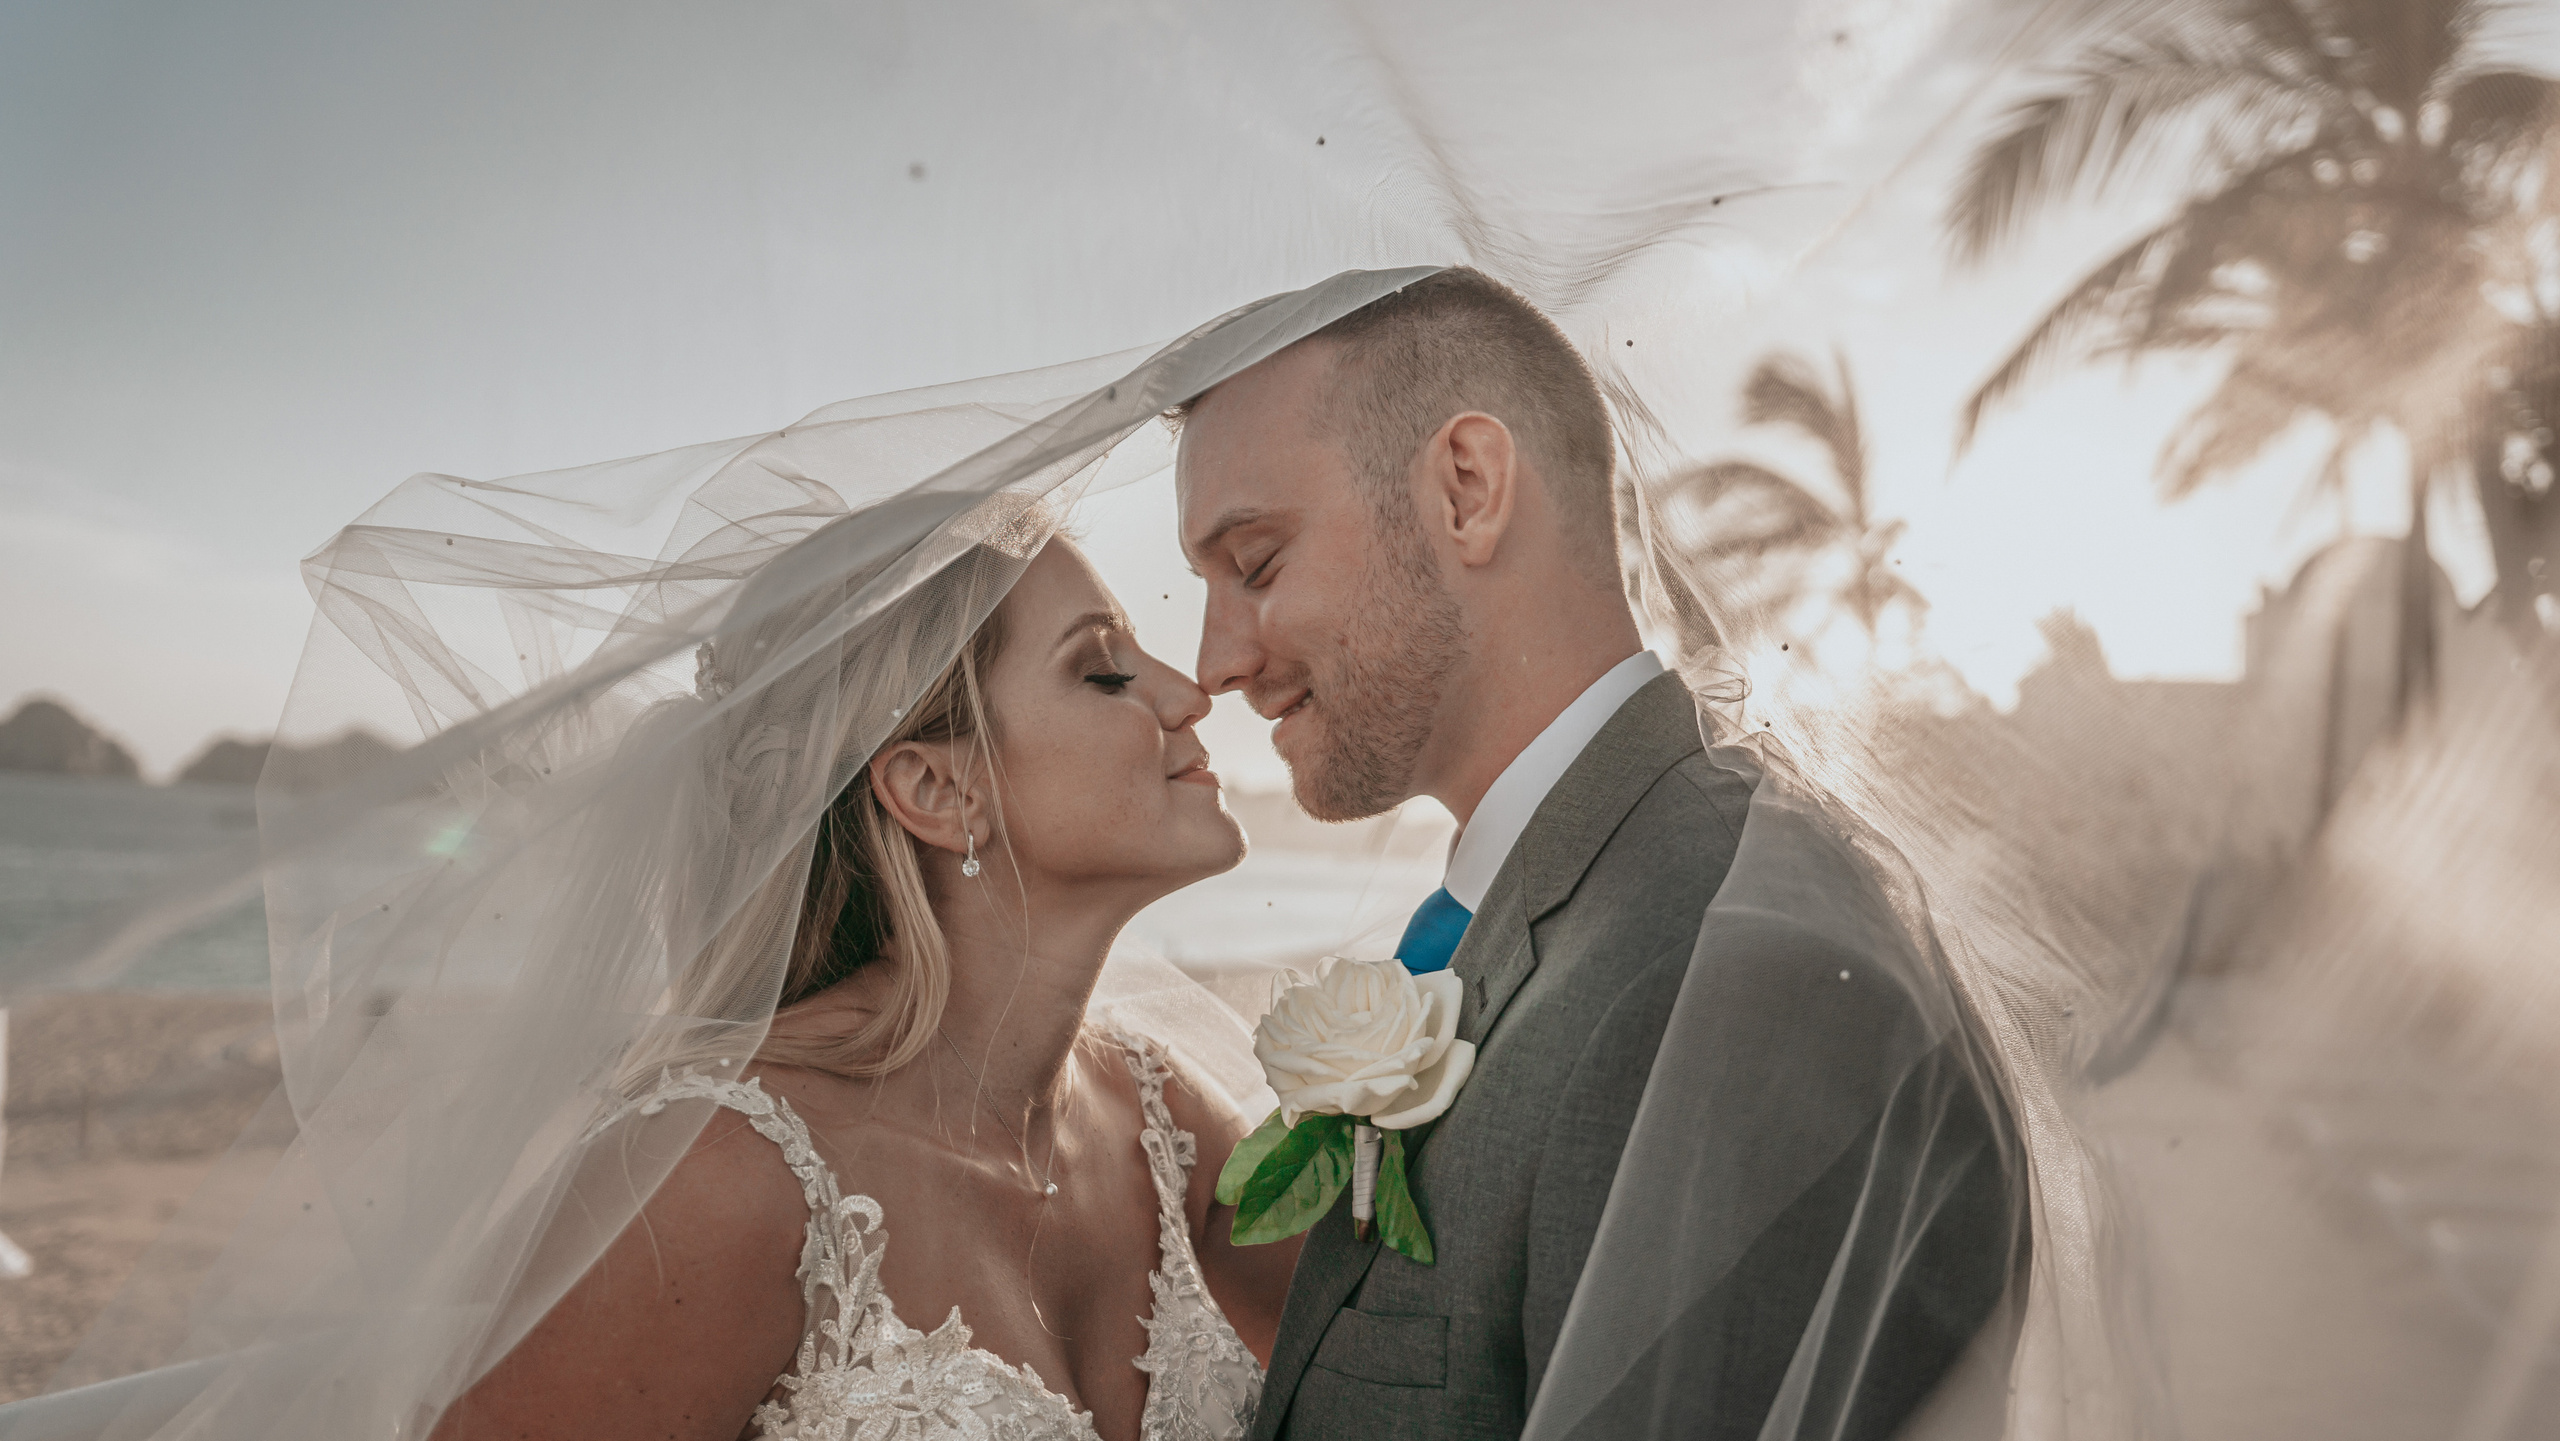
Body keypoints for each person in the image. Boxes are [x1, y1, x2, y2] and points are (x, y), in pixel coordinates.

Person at [1173, 268, 2015, 1441]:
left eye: (1254, 563)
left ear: (1466, 489)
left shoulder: (1729, 973)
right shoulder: (1575, 903)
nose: (1213, 661)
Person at [434, 535, 1295, 1441]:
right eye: (1104, 670)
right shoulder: (717, 1175)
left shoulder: (1160, 1124)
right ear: (937, 787)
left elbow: (1424, 1352)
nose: (1191, 694)